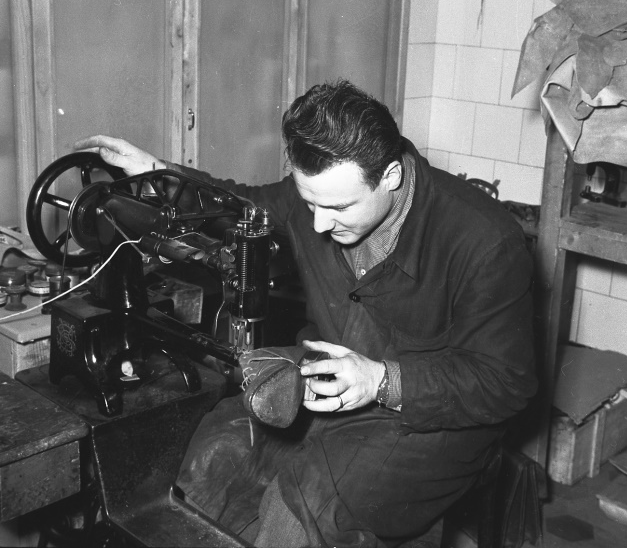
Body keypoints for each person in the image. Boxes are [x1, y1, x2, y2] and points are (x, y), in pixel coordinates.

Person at [74, 80, 537, 547]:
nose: (317, 223)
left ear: (392, 176)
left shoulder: (484, 241)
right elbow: (242, 206)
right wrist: (158, 176)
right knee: (213, 458)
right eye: (309, 201)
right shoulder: (322, 190)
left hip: (432, 418)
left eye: (337, 207)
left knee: (302, 508)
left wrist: (380, 380)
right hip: (327, 381)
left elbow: (506, 382)